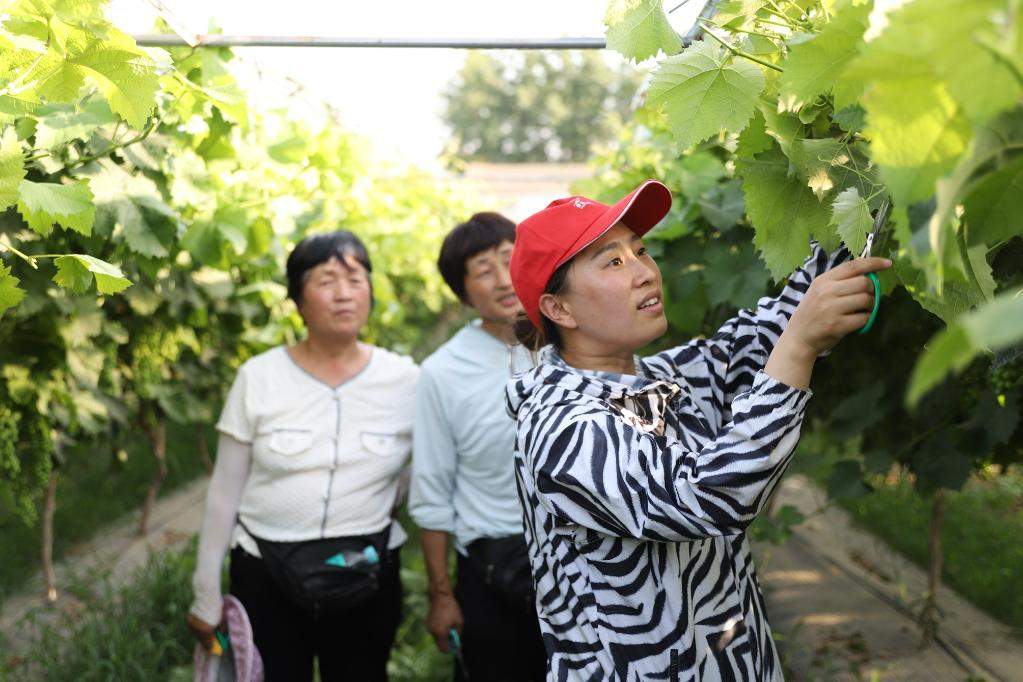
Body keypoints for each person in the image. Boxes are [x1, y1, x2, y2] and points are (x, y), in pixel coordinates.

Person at [505, 181, 893, 680]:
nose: (645, 272)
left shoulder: (666, 379)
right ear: (559, 310)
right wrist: (798, 346)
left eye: (640, 251)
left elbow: (776, 324)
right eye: (614, 263)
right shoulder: (562, 429)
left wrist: (863, 181)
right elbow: (709, 496)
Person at [186, 231, 419, 682]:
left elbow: (410, 475)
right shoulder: (259, 377)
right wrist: (205, 592)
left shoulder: (405, 379)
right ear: (297, 297)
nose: (344, 294)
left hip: (366, 571)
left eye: (355, 279)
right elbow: (223, 493)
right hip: (266, 573)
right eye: (326, 280)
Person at [410, 212, 546, 681]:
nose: (504, 279)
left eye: (510, 260)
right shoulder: (442, 372)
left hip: (583, 559)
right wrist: (442, 596)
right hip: (494, 571)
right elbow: (431, 491)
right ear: (464, 293)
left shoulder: (575, 340)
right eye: (483, 270)